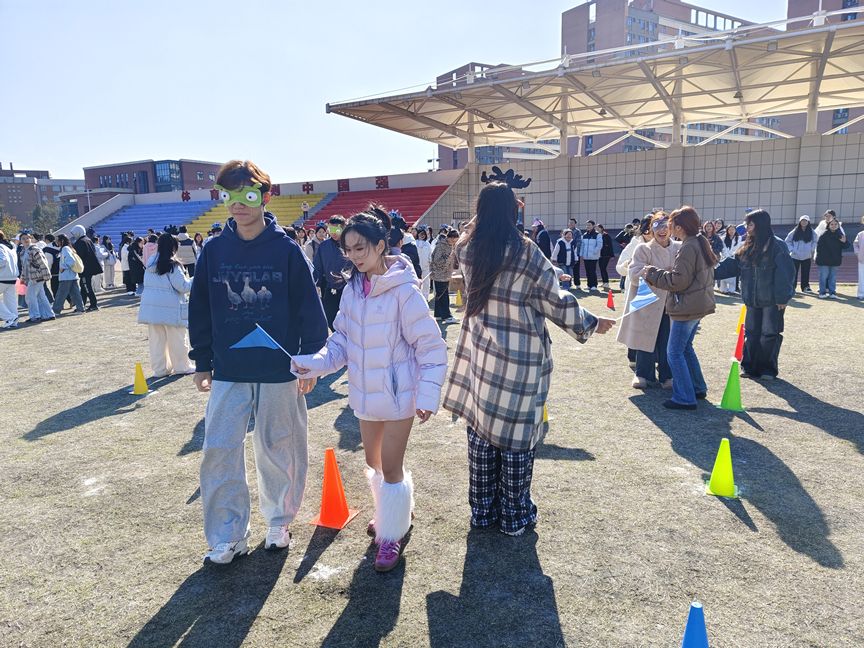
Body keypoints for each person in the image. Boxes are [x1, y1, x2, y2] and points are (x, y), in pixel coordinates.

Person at [442, 182, 614, 537]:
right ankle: (514, 515)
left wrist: (488, 211)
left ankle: (482, 512)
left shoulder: (467, 248)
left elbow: (469, 233)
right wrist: (591, 322)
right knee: (517, 439)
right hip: (520, 358)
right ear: (513, 211)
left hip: (482, 353)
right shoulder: (525, 251)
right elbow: (555, 299)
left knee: (482, 434)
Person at [189, 159, 328, 565]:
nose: (238, 204)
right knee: (219, 449)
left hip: (278, 369)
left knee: (279, 446)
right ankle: (228, 535)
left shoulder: (287, 250)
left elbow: (309, 307)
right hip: (229, 368)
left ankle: (279, 520)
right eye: (229, 196)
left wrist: (310, 359)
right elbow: (200, 308)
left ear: (265, 198)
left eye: (247, 195)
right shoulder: (213, 250)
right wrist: (202, 360)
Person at [292, 211, 447, 571]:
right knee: (374, 464)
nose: (354, 256)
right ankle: (394, 512)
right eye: (348, 249)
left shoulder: (404, 292)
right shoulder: (352, 291)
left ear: (380, 245)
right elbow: (341, 341)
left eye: (360, 248)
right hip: (364, 395)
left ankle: (392, 535)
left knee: (391, 468)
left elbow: (431, 347)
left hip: (399, 396)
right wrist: (313, 363)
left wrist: (427, 396)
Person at [642, 206, 717, 410]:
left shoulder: (688, 247)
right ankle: (697, 387)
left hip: (687, 306)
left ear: (679, 227)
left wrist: (653, 273)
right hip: (698, 303)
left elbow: (678, 281)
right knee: (685, 348)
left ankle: (685, 397)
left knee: (674, 353)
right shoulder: (699, 242)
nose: (668, 228)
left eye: (671, 224)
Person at [618, 213, 679, 389]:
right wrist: (661, 274)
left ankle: (667, 376)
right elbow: (634, 275)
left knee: (668, 340)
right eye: (658, 226)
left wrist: (658, 274)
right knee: (644, 339)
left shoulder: (679, 248)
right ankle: (643, 374)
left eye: (666, 226)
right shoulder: (643, 249)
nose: (662, 230)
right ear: (651, 229)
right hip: (647, 303)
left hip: (671, 303)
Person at [735, 210, 796, 380]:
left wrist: (782, 298)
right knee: (751, 333)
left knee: (769, 334)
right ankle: (749, 367)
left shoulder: (777, 246)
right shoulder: (748, 245)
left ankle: (767, 369)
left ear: (760, 225)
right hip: (752, 299)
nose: (747, 227)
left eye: (750, 224)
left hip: (772, 300)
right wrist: (709, 269)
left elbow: (786, 274)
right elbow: (733, 264)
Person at [138, 233, 195, 377]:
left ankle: (160, 369)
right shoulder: (173, 266)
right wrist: (195, 279)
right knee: (177, 339)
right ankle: (182, 366)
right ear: (173, 247)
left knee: (157, 341)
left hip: (151, 307)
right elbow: (183, 286)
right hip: (171, 308)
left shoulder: (150, 262)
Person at [616, 214, 654, 368]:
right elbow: (619, 268)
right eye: (649, 228)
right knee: (635, 323)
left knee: (654, 325)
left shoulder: (663, 244)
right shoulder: (634, 243)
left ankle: (653, 358)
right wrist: (629, 264)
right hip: (637, 288)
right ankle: (633, 355)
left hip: (657, 289)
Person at [313, 215, 351, 331]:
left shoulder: (350, 244)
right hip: (330, 288)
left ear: (344, 228)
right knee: (330, 317)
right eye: (331, 229)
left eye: (337, 229)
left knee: (349, 320)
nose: (333, 232)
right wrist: (316, 284)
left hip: (349, 289)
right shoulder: (324, 246)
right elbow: (317, 267)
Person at [19, 232, 55, 323]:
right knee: (41, 296)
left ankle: (35, 316)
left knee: (30, 297)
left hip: (37, 277)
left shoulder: (34, 249)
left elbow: (43, 263)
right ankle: (49, 314)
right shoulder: (23, 252)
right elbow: (24, 267)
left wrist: (47, 275)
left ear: (31, 239)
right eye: (23, 238)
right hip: (32, 277)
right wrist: (22, 278)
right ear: (20, 241)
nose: (26, 240)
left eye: (27, 238)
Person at [51, 235, 86, 317]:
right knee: (75, 293)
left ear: (62, 241)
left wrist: (63, 267)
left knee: (61, 294)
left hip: (66, 276)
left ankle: (55, 310)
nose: (56, 242)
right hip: (72, 275)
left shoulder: (65, 249)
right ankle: (81, 308)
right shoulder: (69, 248)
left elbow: (71, 261)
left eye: (57, 240)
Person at [71, 224, 103, 311]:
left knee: (86, 287)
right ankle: (82, 305)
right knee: (83, 287)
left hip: (85, 269)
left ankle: (93, 304)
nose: (74, 235)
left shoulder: (81, 242)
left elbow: (80, 256)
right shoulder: (87, 240)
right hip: (89, 268)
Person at [430, 228, 459, 323]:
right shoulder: (441, 246)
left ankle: (438, 314)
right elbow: (436, 260)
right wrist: (448, 258)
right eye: (453, 240)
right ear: (450, 238)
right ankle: (447, 316)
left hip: (444, 274)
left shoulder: (450, 246)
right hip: (440, 274)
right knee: (444, 296)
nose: (454, 242)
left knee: (440, 295)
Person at [815, 216, 847, 299]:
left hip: (835, 260)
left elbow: (846, 246)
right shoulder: (824, 234)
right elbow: (819, 248)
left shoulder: (840, 235)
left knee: (833, 278)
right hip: (824, 261)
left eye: (835, 224)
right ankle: (822, 293)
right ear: (828, 225)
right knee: (823, 277)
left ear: (838, 226)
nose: (833, 226)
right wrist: (821, 257)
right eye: (832, 224)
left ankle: (832, 293)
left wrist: (844, 242)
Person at [785, 216, 817, 294]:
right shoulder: (795, 231)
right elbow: (787, 241)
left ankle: (805, 287)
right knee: (793, 272)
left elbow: (815, 241)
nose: (804, 222)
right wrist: (792, 250)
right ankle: (792, 287)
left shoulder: (812, 232)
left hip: (807, 256)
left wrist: (811, 249)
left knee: (806, 272)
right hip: (795, 256)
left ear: (808, 222)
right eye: (802, 221)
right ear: (799, 222)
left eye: (805, 221)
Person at [0, 233, 19, 328]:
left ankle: (10, 318)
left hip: (2, 276)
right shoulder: (11, 246)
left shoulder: (0, 247)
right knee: (10, 301)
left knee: (10, 300)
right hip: (12, 276)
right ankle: (13, 320)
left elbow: (2, 261)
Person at [577, 220, 602, 291]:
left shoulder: (597, 234)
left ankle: (594, 285)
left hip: (594, 257)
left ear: (593, 226)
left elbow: (599, 245)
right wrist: (581, 254)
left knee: (592, 271)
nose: (588, 226)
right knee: (587, 271)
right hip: (586, 257)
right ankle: (589, 285)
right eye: (587, 225)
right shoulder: (584, 235)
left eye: (589, 225)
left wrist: (594, 252)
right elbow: (582, 245)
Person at [718, 225, 742, 295]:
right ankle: (723, 289)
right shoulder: (723, 238)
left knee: (732, 275)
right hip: (724, 257)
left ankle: (732, 290)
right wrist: (727, 256)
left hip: (734, 258)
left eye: (733, 229)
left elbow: (737, 248)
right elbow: (723, 248)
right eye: (730, 230)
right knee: (723, 274)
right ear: (727, 231)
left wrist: (732, 255)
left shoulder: (739, 238)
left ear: (735, 230)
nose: (731, 231)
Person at [42, 234, 62, 299]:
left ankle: (57, 303)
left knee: (55, 290)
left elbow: (48, 263)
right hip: (64, 271)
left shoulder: (47, 249)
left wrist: (46, 273)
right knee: (65, 290)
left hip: (54, 273)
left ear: (47, 240)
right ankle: (71, 301)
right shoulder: (62, 246)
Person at [415, 227, 432, 298]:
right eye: (420, 234)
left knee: (426, 282)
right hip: (417, 266)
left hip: (426, 265)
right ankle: (418, 297)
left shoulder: (427, 243)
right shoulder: (415, 243)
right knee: (417, 281)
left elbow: (430, 254)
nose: (422, 236)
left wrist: (430, 261)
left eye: (423, 234)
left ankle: (425, 296)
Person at [596, 224, 614, 291]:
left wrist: (612, 255)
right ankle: (604, 282)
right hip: (599, 255)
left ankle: (606, 282)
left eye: (598, 228)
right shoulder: (597, 235)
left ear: (601, 228)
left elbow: (610, 245)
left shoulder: (606, 235)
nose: (597, 229)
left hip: (606, 255)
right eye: (596, 228)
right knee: (601, 268)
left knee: (603, 268)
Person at [855, 216, 864, 300]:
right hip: (862, 259)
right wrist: (858, 253)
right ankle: (861, 294)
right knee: (862, 277)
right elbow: (855, 244)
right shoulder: (860, 234)